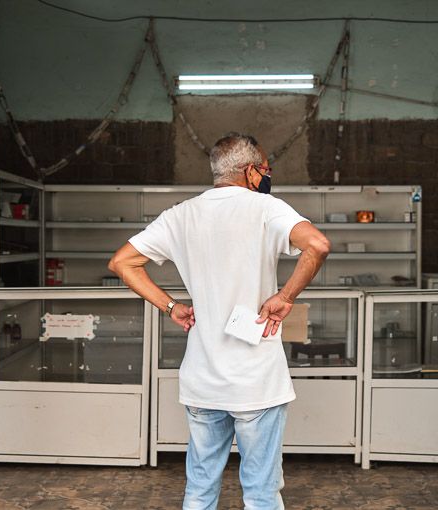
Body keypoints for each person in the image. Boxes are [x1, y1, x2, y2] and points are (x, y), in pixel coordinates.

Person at [109, 133, 330, 509]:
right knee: (261, 492)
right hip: (256, 381)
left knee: (199, 488)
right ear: (250, 171)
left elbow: (122, 263)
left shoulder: (179, 215)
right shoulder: (266, 208)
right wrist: (285, 297)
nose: (267, 174)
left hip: (202, 378)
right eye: (265, 168)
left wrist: (170, 306)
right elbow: (318, 245)